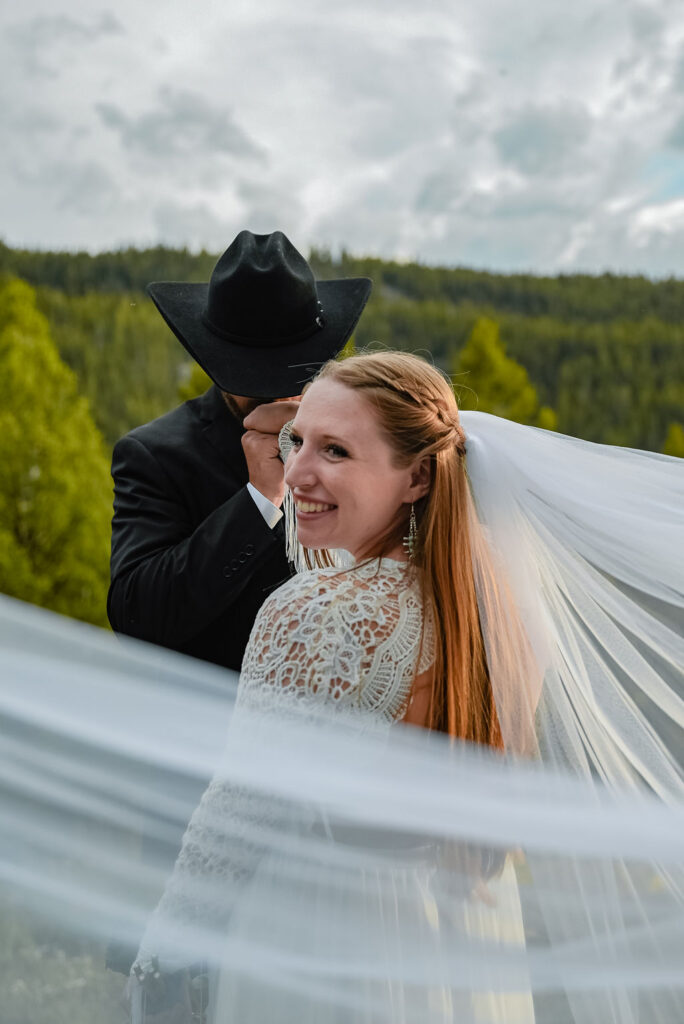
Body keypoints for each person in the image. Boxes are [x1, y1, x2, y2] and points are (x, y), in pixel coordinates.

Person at [107, 230, 372, 671]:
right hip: (211, 727)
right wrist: (257, 501)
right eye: (253, 376)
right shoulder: (154, 455)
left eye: (293, 371)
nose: (277, 393)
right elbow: (137, 617)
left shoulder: (360, 439)